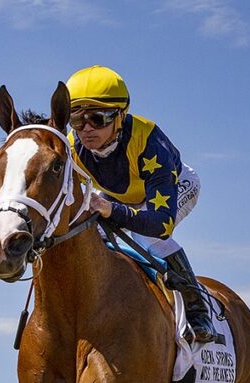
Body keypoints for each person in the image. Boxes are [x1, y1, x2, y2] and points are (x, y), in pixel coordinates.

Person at [66, 65, 216, 343]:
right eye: (77, 120)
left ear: (119, 116)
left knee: (147, 236)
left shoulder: (149, 143)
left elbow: (161, 223)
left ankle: (197, 311)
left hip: (174, 186)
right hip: (121, 196)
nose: (86, 129)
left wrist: (112, 210)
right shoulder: (73, 147)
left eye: (97, 119)